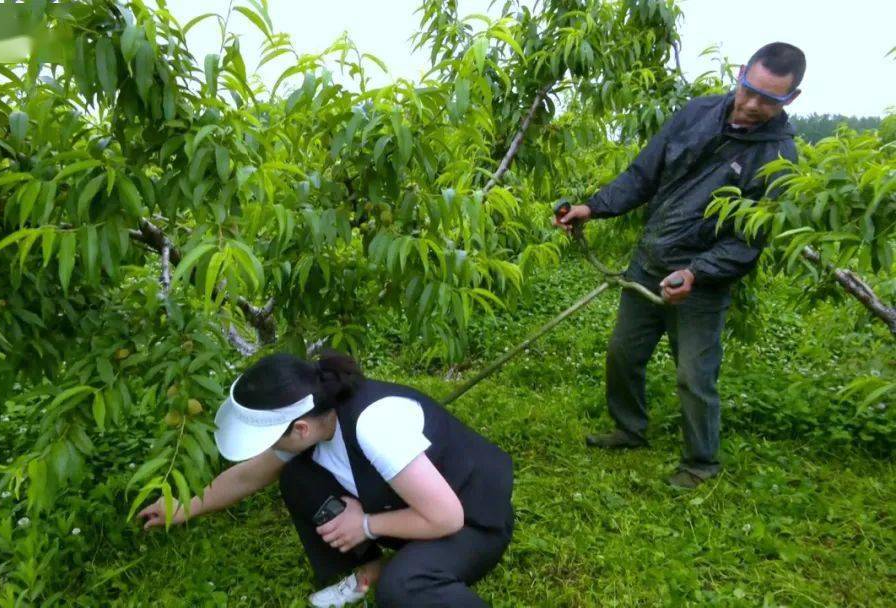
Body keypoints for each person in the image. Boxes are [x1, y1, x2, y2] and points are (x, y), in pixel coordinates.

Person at [554, 42, 804, 488]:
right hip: (650, 262)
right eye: (749, 89)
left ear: (791, 100)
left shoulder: (780, 158)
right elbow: (642, 174)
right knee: (623, 354)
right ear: (742, 72)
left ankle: (700, 463)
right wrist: (592, 208)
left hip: (702, 283)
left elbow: (749, 241)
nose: (752, 104)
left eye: (769, 99)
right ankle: (629, 430)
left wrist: (697, 272)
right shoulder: (696, 113)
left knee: (694, 374)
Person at [137, 351, 514, 607]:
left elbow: (447, 517)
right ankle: (371, 565)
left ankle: (403, 571)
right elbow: (250, 476)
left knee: (403, 588)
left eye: (270, 440)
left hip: (471, 521)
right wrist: (185, 506)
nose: (265, 451)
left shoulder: (375, 426)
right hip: (412, 507)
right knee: (297, 478)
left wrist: (365, 524)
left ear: (299, 428)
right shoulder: (318, 417)